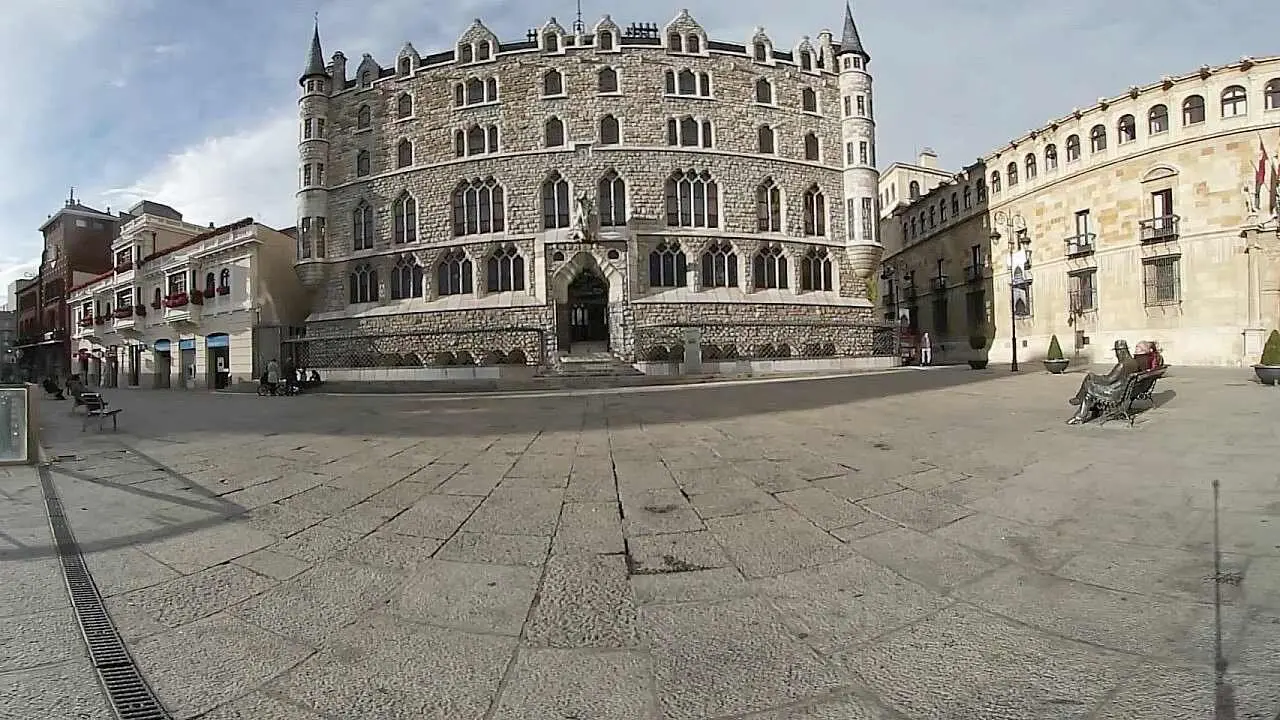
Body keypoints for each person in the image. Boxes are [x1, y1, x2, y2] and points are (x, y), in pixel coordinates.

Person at [1066, 340, 1144, 425]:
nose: (1116, 354)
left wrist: (1094, 377)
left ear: (1121, 351)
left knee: (1089, 387)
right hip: (1122, 389)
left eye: (1117, 352)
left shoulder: (1122, 365)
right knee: (1090, 382)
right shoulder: (1133, 362)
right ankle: (1081, 400)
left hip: (1115, 392)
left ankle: (1079, 416)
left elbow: (1109, 380)